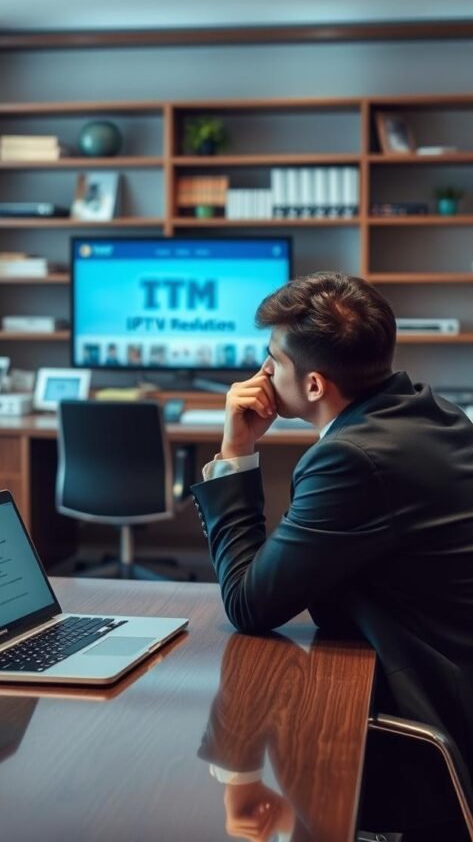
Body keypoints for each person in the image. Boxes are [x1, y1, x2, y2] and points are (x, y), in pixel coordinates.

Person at [191, 271, 473, 840]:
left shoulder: (350, 460)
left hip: (429, 738)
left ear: (315, 385)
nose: (262, 374)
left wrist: (235, 450)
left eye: (272, 360)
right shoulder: (433, 414)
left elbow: (249, 603)